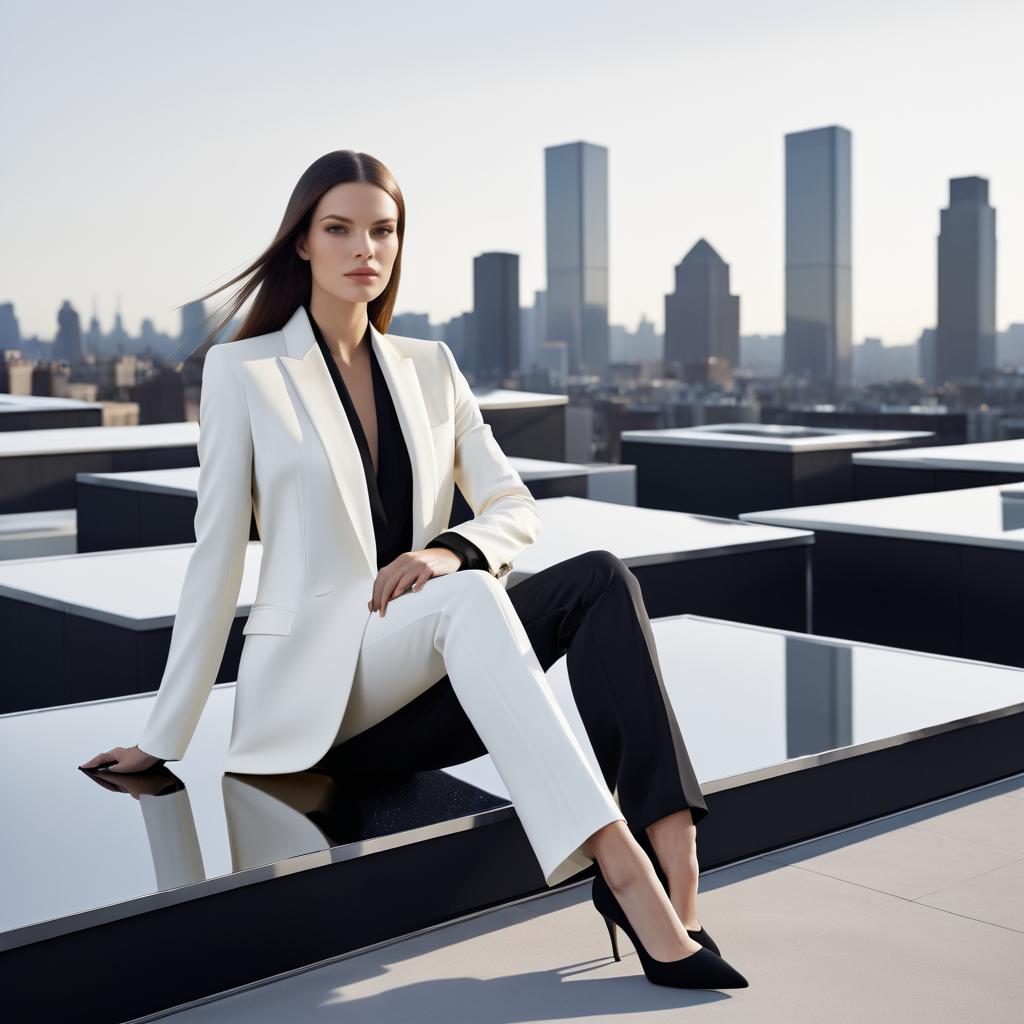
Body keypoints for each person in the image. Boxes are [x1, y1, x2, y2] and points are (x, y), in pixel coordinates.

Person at [79, 150, 747, 990]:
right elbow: (214, 557)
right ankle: (622, 872)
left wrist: (443, 550)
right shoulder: (244, 373)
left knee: (602, 578)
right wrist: (161, 736)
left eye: (384, 230)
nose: (366, 248)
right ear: (302, 245)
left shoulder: (431, 368)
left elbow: (515, 508)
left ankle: (678, 869)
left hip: (433, 674)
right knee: (469, 598)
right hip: (324, 703)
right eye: (340, 229)